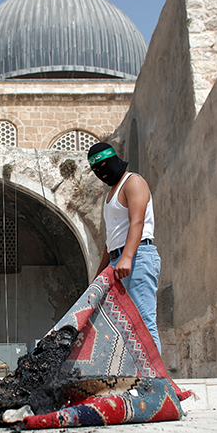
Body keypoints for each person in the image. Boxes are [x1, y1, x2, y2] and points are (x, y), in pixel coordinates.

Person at [88, 142, 161, 349]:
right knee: (123, 325)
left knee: (143, 320)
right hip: (117, 260)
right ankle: (136, 376)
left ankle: (155, 379)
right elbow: (111, 239)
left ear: (113, 159)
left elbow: (136, 222)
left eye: (104, 167)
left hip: (138, 256)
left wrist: (127, 257)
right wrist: (99, 274)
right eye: (96, 171)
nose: (101, 174)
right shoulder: (110, 194)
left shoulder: (133, 182)